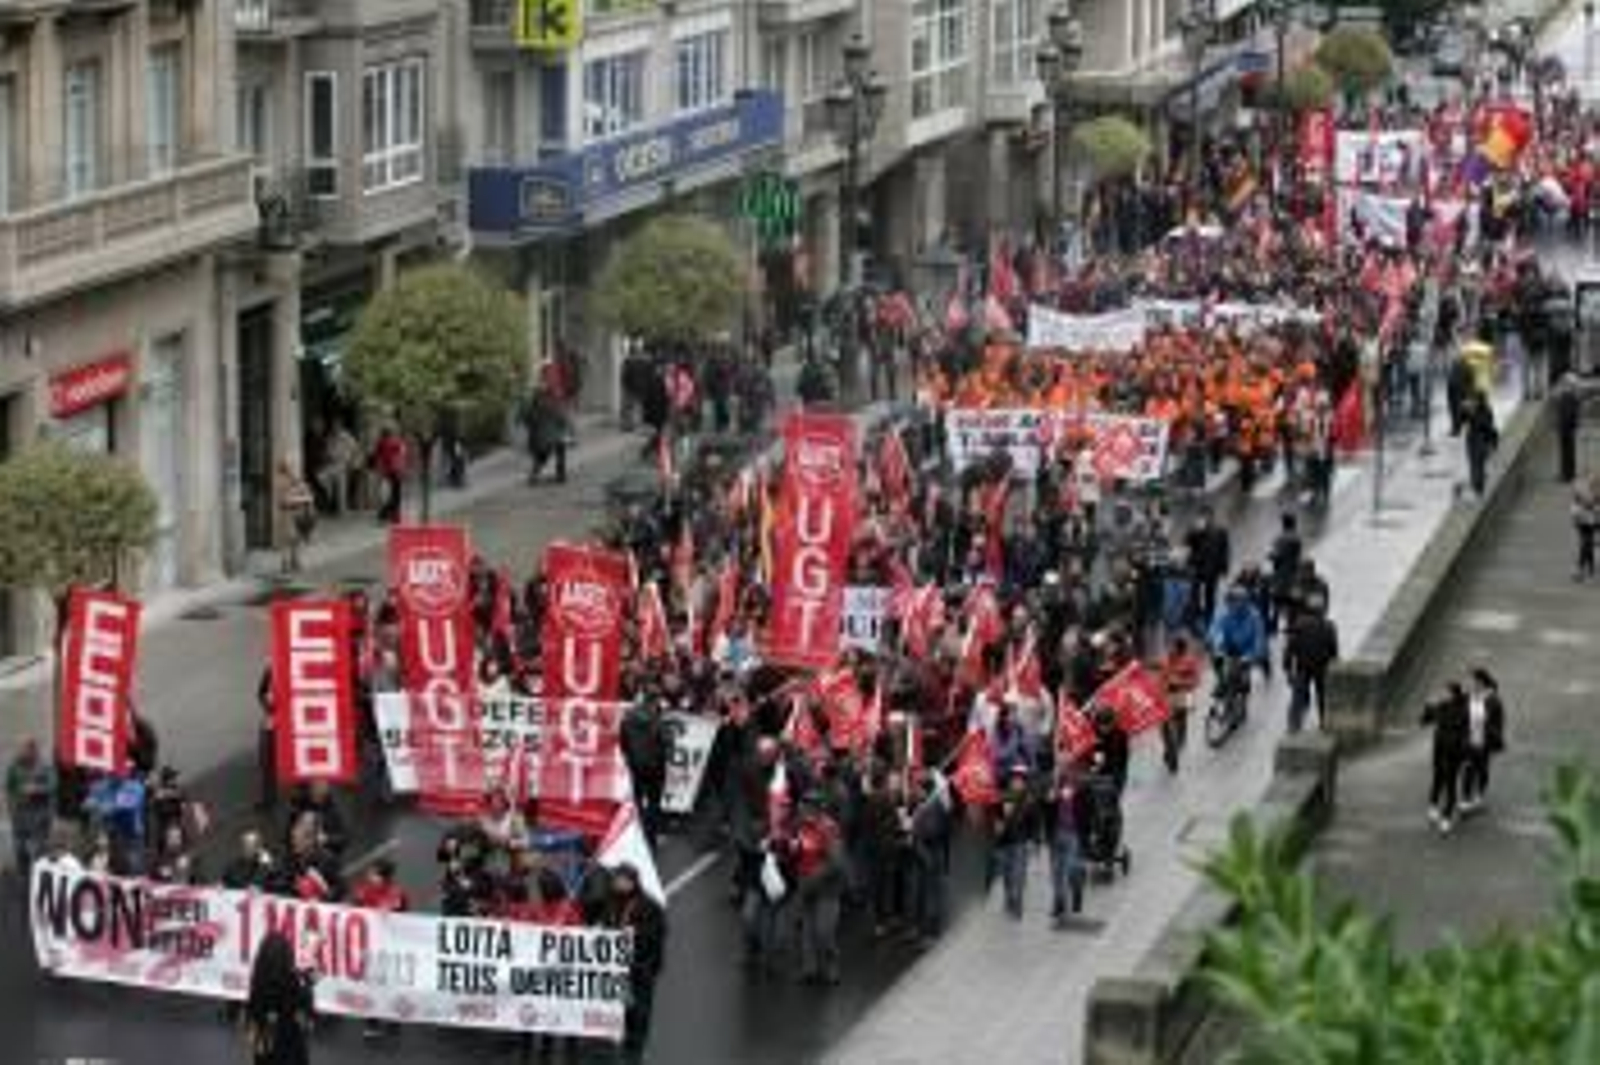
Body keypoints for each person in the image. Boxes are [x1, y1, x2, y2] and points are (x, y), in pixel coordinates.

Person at [606, 863, 666, 1065]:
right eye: (615, 879)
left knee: (640, 1009)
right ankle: (626, 1042)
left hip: (641, 968)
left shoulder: (649, 906)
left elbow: (656, 935)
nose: (616, 883)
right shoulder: (612, 902)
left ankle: (636, 1050)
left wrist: (636, 933)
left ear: (631, 882)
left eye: (620, 880)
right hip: (621, 969)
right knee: (626, 1006)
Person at [245, 931, 314, 1065]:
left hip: (265, 1042)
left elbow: (252, 1018)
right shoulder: (295, 981)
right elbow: (308, 1018)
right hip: (291, 1046)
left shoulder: (258, 983)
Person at [1421, 681, 1471, 836]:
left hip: (1455, 753)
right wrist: (1427, 707)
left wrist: (1466, 756)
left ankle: (1446, 818)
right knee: (1438, 778)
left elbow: (1466, 735)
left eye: (1445, 692)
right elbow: (1424, 722)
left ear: (1453, 694)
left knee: (1450, 783)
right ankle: (1433, 806)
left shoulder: (1464, 711)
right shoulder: (1441, 706)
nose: (1442, 695)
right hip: (1440, 750)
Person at [620, 699, 670, 848]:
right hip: (655, 768)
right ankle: (651, 838)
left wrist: (630, 758)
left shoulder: (627, 720)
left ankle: (637, 835)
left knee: (638, 802)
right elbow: (665, 742)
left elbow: (623, 743)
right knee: (654, 804)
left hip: (635, 767)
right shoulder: (657, 720)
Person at [1283, 601, 1339, 733]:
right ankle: (1325, 722)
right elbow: (1334, 650)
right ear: (1322, 612)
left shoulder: (1298, 625)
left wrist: (1287, 669)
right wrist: (1333, 666)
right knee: (1323, 696)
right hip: (1322, 667)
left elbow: (1290, 649)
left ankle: (1293, 724)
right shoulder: (1329, 626)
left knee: (1298, 697)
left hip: (1303, 667)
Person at [5, 739, 54, 885]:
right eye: (23, 750)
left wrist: (36, 789)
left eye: (28, 750)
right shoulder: (14, 766)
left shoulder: (45, 766)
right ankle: (23, 876)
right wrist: (11, 806)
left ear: (34, 751)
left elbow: (52, 786)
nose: (24, 753)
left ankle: (41, 877)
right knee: (19, 847)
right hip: (20, 814)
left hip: (39, 814)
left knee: (39, 849)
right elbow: (9, 787)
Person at [1044, 764, 1087, 927]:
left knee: (1071, 869)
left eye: (1069, 770)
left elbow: (1089, 813)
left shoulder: (1082, 790)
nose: (1065, 773)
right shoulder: (1054, 789)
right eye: (1062, 771)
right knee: (1056, 872)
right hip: (1056, 834)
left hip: (1074, 834)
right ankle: (1059, 901)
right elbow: (1044, 811)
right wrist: (1049, 801)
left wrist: (1087, 835)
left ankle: (1076, 891)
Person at [1460, 668, 1507, 814]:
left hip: (1484, 741)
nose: (1470, 684)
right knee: (1468, 768)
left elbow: (1499, 722)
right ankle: (1466, 799)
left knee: (1482, 769)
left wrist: (1496, 737)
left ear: (1481, 682)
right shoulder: (1468, 697)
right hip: (1469, 740)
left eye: (1473, 681)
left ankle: (1479, 796)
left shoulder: (1493, 700)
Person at [991, 769, 1036, 920]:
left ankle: (1017, 905)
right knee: (1007, 874)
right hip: (1005, 842)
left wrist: (1032, 840)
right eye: (1014, 781)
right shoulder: (1003, 797)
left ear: (1024, 783)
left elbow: (1034, 823)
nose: (1017, 783)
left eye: (1020, 781)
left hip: (1020, 842)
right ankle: (1009, 898)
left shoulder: (1029, 800)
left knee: (1019, 874)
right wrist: (999, 822)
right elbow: (996, 818)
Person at [1160, 636, 1203, 773]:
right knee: (1164, 724)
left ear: (1180, 649)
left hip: (1183, 694)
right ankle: (1170, 749)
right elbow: (1161, 677)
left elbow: (1196, 681)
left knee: (1180, 721)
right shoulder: (1167, 660)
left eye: (1173, 647)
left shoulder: (1189, 661)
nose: (1170, 649)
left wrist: (1179, 682)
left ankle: (1176, 747)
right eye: (1170, 647)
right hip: (1167, 695)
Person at [274, 460, 315, 574]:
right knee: (287, 538)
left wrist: (301, 495)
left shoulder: (298, 481)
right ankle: (285, 563)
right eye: (290, 466)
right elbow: (284, 500)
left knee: (296, 539)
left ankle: (295, 560)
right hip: (286, 513)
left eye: (293, 467)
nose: (292, 470)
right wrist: (302, 498)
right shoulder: (280, 481)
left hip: (298, 513)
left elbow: (309, 495)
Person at [1463, 389, 1498, 499]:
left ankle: (1478, 488)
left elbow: (1487, 426)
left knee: (1477, 464)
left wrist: (1493, 443)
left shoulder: (1485, 411)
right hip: (1473, 439)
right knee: (1475, 464)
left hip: (1479, 439)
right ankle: (1477, 487)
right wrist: (1465, 410)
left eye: (1474, 400)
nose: (1472, 402)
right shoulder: (1472, 409)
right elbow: (1461, 420)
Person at [371, 427, 407, 524]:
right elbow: (401, 457)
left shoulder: (382, 443)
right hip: (394, 471)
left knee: (391, 495)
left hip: (388, 471)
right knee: (395, 495)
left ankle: (388, 515)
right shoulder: (397, 442)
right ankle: (391, 516)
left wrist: (380, 470)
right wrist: (401, 470)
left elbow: (377, 457)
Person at [1573, 474, 1599, 582]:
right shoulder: (1580, 490)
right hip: (1584, 521)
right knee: (1587, 543)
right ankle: (1586, 569)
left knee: (1587, 543)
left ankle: (1584, 569)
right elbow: (1576, 506)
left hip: (1592, 521)